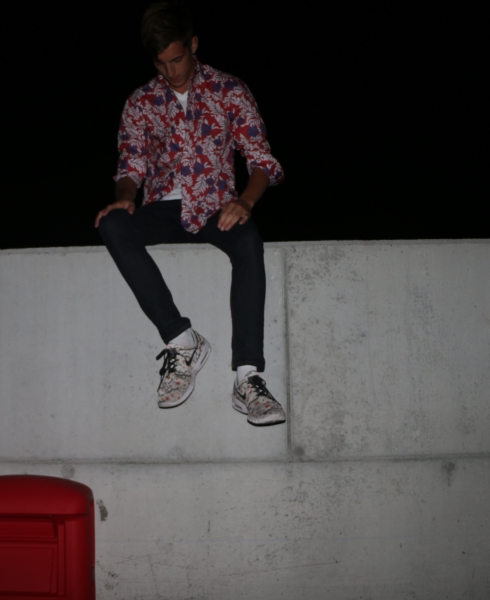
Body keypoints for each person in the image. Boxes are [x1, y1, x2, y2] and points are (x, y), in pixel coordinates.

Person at [94, 1, 285, 426]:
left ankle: (248, 378)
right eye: (161, 64)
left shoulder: (229, 89)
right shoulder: (140, 101)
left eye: (177, 59)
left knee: (249, 241)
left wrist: (245, 202)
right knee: (112, 223)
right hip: (162, 208)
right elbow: (130, 168)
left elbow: (261, 161)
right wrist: (124, 196)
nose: (171, 71)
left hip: (217, 207)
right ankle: (182, 340)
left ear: (193, 45)